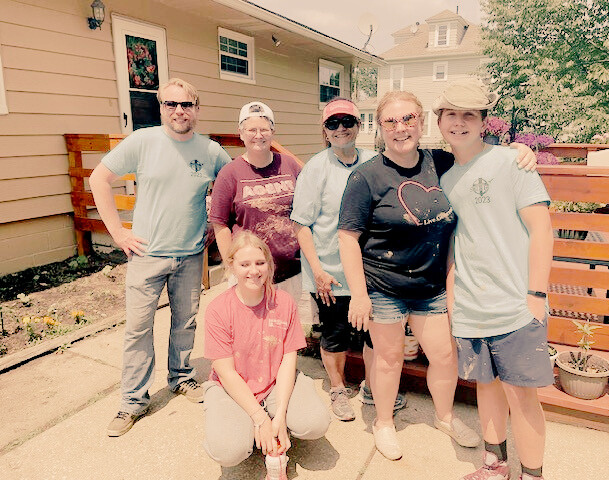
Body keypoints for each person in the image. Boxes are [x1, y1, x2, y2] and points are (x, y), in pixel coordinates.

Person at [337, 90, 537, 460]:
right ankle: (383, 422)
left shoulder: (440, 162)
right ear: (379, 127)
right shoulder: (365, 177)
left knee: (444, 356)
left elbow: (478, 157)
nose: (401, 128)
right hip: (384, 286)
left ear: (421, 121)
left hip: (431, 285)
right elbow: (348, 238)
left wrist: (517, 151)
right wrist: (360, 294)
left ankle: (444, 416)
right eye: (391, 121)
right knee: (388, 357)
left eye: (409, 119)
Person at [90, 78, 231, 437]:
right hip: (147, 255)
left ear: (197, 109)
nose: (179, 111)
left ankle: (181, 378)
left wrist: (217, 220)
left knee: (185, 323)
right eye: (171, 104)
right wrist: (118, 233)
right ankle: (132, 402)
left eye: (186, 104)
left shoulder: (211, 150)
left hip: (190, 255)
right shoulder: (143, 142)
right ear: (161, 108)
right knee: (138, 330)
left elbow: (231, 187)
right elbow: (99, 179)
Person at [437, 81, 553, 480]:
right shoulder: (445, 179)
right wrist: (453, 300)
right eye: (451, 113)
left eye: (469, 114)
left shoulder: (511, 163)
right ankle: (494, 466)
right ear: (439, 121)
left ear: (485, 121)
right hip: (470, 306)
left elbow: (542, 229)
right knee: (485, 388)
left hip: (515, 304)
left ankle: (532, 475)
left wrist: (535, 295)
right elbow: (455, 243)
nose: (459, 122)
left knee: (522, 398)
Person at [291, 97, 406, 422]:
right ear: (325, 131)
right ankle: (338, 388)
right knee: (335, 334)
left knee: (375, 333)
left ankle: (372, 387)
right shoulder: (316, 167)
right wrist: (317, 269)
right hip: (330, 273)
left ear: (359, 126)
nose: (341, 129)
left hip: (372, 271)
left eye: (348, 122)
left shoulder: (376, 161)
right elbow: (301, 223)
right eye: (333, 123)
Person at [202, 231, 330, 470]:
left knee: (315, 423)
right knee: (228, 451)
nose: (254, 271)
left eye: (260, 263)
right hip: (231, 388)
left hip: (273, 381)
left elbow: (288, 358)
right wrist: (259, 418)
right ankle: (248, 425)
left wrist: (280, 415)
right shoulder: (218, 310)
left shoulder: (283, 302)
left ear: (269, 265)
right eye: (245, 264)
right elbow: (226, 372)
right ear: (232, 266)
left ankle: (274, 421)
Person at [209, 101, 310, 322]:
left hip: (291, 270)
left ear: (272, 131)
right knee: (252, 333)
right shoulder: (230, 173)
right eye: (251, 129)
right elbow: (220, 224)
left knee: (285, 330)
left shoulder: (290, 165)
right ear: (241, 133)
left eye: (264, 129)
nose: (258, 135)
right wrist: (232, 266)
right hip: (250, 273)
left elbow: (308, 210)